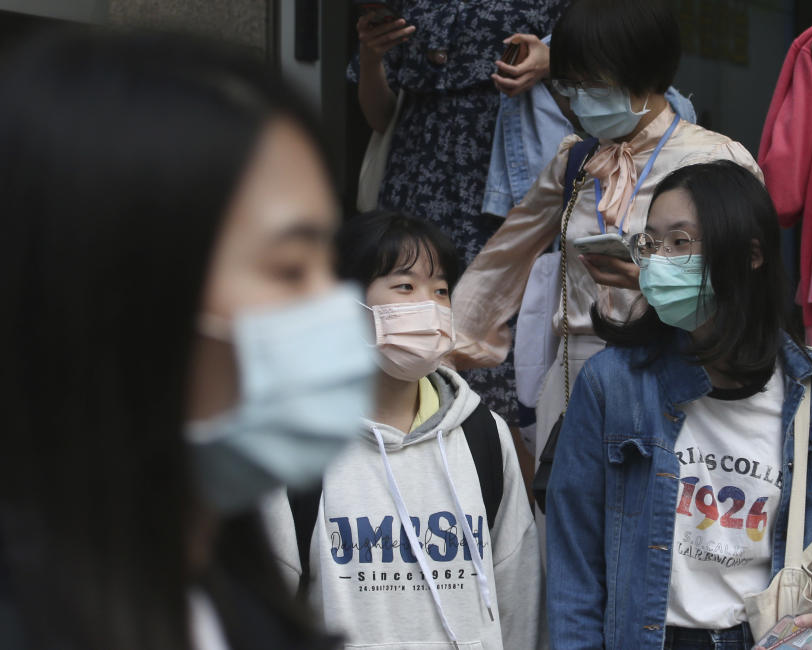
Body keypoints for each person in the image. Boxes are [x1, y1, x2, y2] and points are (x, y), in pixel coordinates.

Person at [0, 30, 376, 650]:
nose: (337, 309)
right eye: (288, 269)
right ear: (110, 291)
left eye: (329, 268)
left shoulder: (239, 614)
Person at [450, 0, 761, 546]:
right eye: (569, 85)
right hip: (575, 385)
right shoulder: (576, 161)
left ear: (645, 73)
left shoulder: (718, 161)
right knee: (569, 553)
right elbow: (504, 259)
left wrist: (649, 279)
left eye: (594, 83)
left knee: (665, 549)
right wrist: (444, 341)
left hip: (680, 377)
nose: (578, 100)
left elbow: (746, 284)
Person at [545, 161, 812, 650]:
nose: (658, 260)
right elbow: (574, 558)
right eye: (651, 243)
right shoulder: (611, 385)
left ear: (751, 255)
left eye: (680, 241)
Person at [277, 211, 544, 648]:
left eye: (441, 291)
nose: (431, 307)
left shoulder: (483, 434)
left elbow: (517, 585)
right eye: (405, 286)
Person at [351, 0, 570, 427]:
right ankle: (402, 444)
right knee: (405, 323)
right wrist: (370, 56)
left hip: (503, 188)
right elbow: (379, 116)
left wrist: (554, 59)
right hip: (415, 177)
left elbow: (610, 58)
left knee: (492, 342)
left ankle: (493, 470)